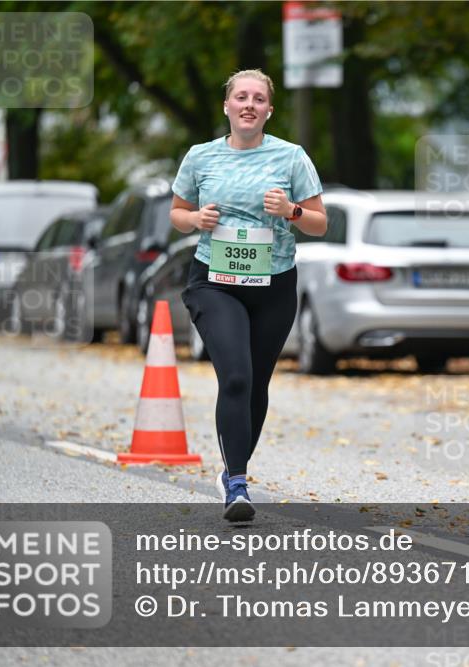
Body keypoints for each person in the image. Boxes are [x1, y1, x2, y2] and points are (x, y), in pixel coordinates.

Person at [170, 69, 327, 521]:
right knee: (235, 376)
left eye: (259, 99)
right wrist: (196, 218)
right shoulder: (201, 157)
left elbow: (319, 221)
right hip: (215, 281)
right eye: (241, 97)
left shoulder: (291, 157)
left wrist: (292, 210)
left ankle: (233, 468)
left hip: (274, 284)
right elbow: (177, 213)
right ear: (227, 106)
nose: (249, 104)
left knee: (257, 383)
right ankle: (236, 483)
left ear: (268, 110)